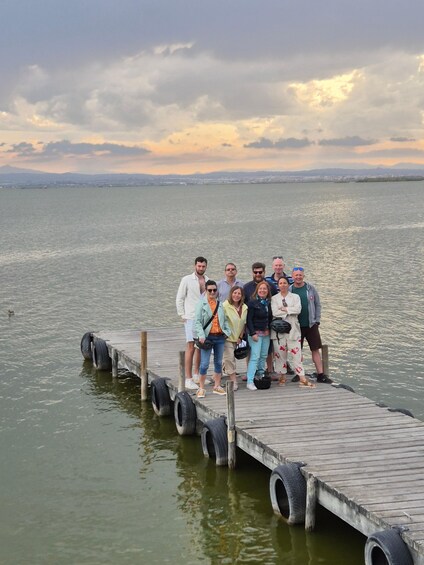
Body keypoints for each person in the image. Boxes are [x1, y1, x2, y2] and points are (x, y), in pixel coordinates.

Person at [290, 267, 333, 383]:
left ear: (303, 276)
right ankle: (299, 373)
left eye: (300, 275)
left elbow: (317, 304)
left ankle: (320, 374)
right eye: (296, 275)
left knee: (315, 349)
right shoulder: (290, 289)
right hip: (296, 325)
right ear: (292, 276)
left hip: (311, 324)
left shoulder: (310, 288)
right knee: (297, 350)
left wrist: (317, 320)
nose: (298, 277)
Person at [271, 276, 315, 387]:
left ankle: (302, 377)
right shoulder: (274, 298)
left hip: (293, 329)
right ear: (278, 285)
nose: (283, 285)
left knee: (296, 353)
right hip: (279, 330)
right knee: (280, 354)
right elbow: (275, 312)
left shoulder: (295, 297)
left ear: (288, 284)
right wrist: (290, 310)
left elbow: (298, 309)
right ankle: (282, 376)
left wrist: (285, 309)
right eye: (280, 283)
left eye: (285, 283)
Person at [194, 280, 231, 398]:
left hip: (219, 336)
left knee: (218, 362)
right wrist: (201, 335)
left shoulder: (220, 304)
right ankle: (201, 388)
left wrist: (227, 331)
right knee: (204, 363)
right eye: (210, 290)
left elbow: (224, 320)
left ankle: (217, 386)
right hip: (207, 337)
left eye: (214, 290)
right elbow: (198, 322)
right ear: (206, 290)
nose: (212, 292)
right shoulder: (201, 303)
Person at [176, 256, 208, 390]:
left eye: (203, 266)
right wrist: (182, 315)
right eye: (199, 266)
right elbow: (180, 297)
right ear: (195, 266)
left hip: (203, 318)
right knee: (190, 346)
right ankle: (188, 378)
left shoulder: (207, 280)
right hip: (190, 317)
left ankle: (197, 374)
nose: (201, 268)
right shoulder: (187, 280)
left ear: (206, 267)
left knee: (200, 346)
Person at [245, 281, 273, 390]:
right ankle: (250, 381)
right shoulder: (252, 303)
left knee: (263, 356)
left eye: (265, 289)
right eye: (260, 289)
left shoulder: (269, 303)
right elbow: (249, 320)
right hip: (255, 334)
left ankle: (260, 375)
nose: (262, 291)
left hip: (266, 333)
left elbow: (270, 318)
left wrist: (269, 329)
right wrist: (252, 333)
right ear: (257, 290)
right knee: (255, 357)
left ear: (267, 291)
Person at [223, 286, 248, 391]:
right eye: (235, 293)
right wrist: (225, 334)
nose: (236, 295)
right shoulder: (225, 306)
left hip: (237, 337)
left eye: (239, 293)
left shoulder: (245, 308)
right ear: (231, 293)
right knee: (230, 359)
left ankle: (221, 373)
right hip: (227, 337)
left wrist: (240, 336)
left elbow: (244, 323)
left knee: (229, 359)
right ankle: (234, 381)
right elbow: (222, 321)